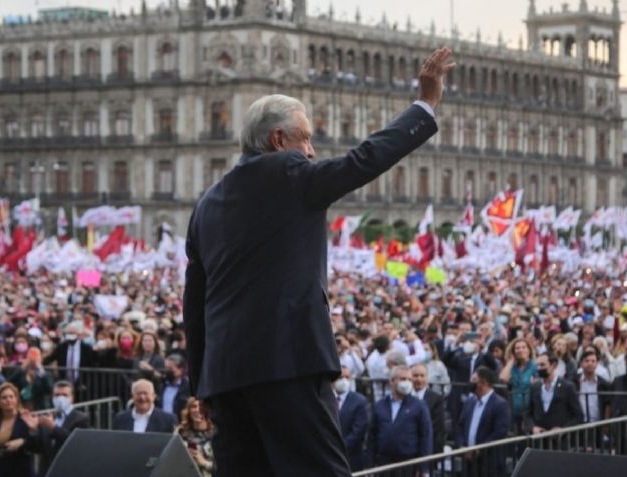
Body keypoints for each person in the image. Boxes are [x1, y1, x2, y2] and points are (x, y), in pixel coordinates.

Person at [183, 47, 455, 476]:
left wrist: (200, 384)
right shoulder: (290, 174)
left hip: (226, 380)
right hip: (288, 367)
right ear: (278, 140)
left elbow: (194, 306)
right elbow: (364, 160)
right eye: (305, 138)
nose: (311, 151)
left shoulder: (206, 205)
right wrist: (425, 103)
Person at [368, 366, 433, 470]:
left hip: (408, 464)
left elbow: (425, 437)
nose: (407, 382)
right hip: (383, 464)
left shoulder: (419, 406)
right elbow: (372, 437)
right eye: (403, 379)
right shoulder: (380, 405)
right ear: (392, 381)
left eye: (409, 379)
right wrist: (369, 466)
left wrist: (423, 468)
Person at [455, 367, 511, 477]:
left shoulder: (500, 404)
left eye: (474, 380)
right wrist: (462, 446)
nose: (471, 383)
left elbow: (500, 432)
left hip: (489, 461)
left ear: (483, 383)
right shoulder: (470, 401)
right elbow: (460, 426)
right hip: (468, 461)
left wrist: (478, 450)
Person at [0, 382, 39, 477]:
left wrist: (24, 441)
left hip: (22, 472)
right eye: (4, 398)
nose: (8, 400)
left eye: (11, 397)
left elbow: (37, 446)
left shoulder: (25, 419)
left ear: (16, 399)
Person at [444, 331, 497, 429]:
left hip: (478, 393)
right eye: (468, 341)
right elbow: (446, 360)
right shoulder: (459, 356)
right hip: (460, 394)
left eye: (473, 342)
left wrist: (484, 348)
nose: (470, 344)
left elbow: (493, 365)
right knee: (457, 421)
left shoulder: (483, 358)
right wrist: (455, 344)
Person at [36, 381, 90, 474]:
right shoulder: (49, 417)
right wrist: (33, 430)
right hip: (47, 470)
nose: (60, 398)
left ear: (72, 398)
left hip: (68, 469)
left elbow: (75, 442)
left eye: (65, 395)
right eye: (57, 395)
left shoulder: (81, 418)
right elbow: (39, 447)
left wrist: (54, 427)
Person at [523, 353, 583, 434]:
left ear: (553, 365)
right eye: (537, 365)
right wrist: (533, 427)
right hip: (539, 438)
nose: (539, 368)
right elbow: (528, 413)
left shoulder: (567, 387)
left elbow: (578, 415)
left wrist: (563, 430)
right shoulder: (535, 387)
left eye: (542, 365)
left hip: (560, 440)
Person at [334, 366, 369, 471]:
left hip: (351, 457)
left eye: (347, 377)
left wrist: (340, 448)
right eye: (340, 377)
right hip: (330, 456)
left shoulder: (360, 401)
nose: (344, 380)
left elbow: (358, 431)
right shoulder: (326, 399)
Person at [498, 338, 537, 433]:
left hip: (530, 409)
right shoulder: (513, 368)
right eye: (517, 348)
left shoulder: (534, 366)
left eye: (524, 347)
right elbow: (503, 378)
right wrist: (511, 361)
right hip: (515, 409)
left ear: (529, 350)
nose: (520, 350)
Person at [112, 379, 177, 433]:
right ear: (132, 397)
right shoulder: (120, 419)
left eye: (146, 393)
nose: (142, 397)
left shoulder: (168, 420)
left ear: (153, 396)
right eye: (138, 393)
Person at [43, 322, 96, 386]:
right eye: (68, 333)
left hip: (82, 384)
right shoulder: (61, 347)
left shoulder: (86, 348)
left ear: (78, 334)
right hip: (64, 382)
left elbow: (92, 364)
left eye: (72, 333)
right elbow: (50, 359)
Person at [411, 363, 446, 454]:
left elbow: (436, 426)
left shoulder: (436, 399)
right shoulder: (405, 397)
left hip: (427, 448)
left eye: (422, 376)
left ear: (427, 378)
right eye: (415, 376)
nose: (419, 379)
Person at [176, 398, 215, 477]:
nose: (197, 410)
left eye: (201, 406)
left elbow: (225, 467)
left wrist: (203, 462)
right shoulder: (180, 433)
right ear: (189, 411)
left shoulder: (216, 434)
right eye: (194, 406)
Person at [8, 347, 53, 411]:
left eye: (36, 357)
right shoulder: (20, 373)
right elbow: (9, 383)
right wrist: (21, 369)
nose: (33, 361)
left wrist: (41, 370)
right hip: (22, 406)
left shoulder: (46, 374)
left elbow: (49, 389)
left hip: (39, 407)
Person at [573, 350, 611, 423]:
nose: (590, 363)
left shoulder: (603, 384)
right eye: (587, 361)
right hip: (578, 424)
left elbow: (607, 404)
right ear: (581, 363)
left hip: (597, 424)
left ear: (597, 364)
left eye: (593, 361)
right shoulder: (574, 381)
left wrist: (606, 423)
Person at [158, 354, 190, 419]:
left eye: (170, 368)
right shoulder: (162, 385)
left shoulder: (187, 386)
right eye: (166, 368)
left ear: (180, 369)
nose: (167, 371)